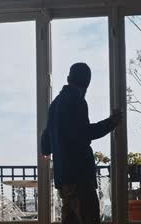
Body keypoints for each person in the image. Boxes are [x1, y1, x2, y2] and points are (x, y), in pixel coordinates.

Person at [41, 62, 122, 224]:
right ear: (87, 83)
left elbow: (46, 142)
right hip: (80, 176)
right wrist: (112, 122)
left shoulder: (55, 104)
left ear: (68, 78)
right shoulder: (76, 101)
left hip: (64, 178)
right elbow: (84, 134)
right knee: (88, 217)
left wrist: (50, 149)